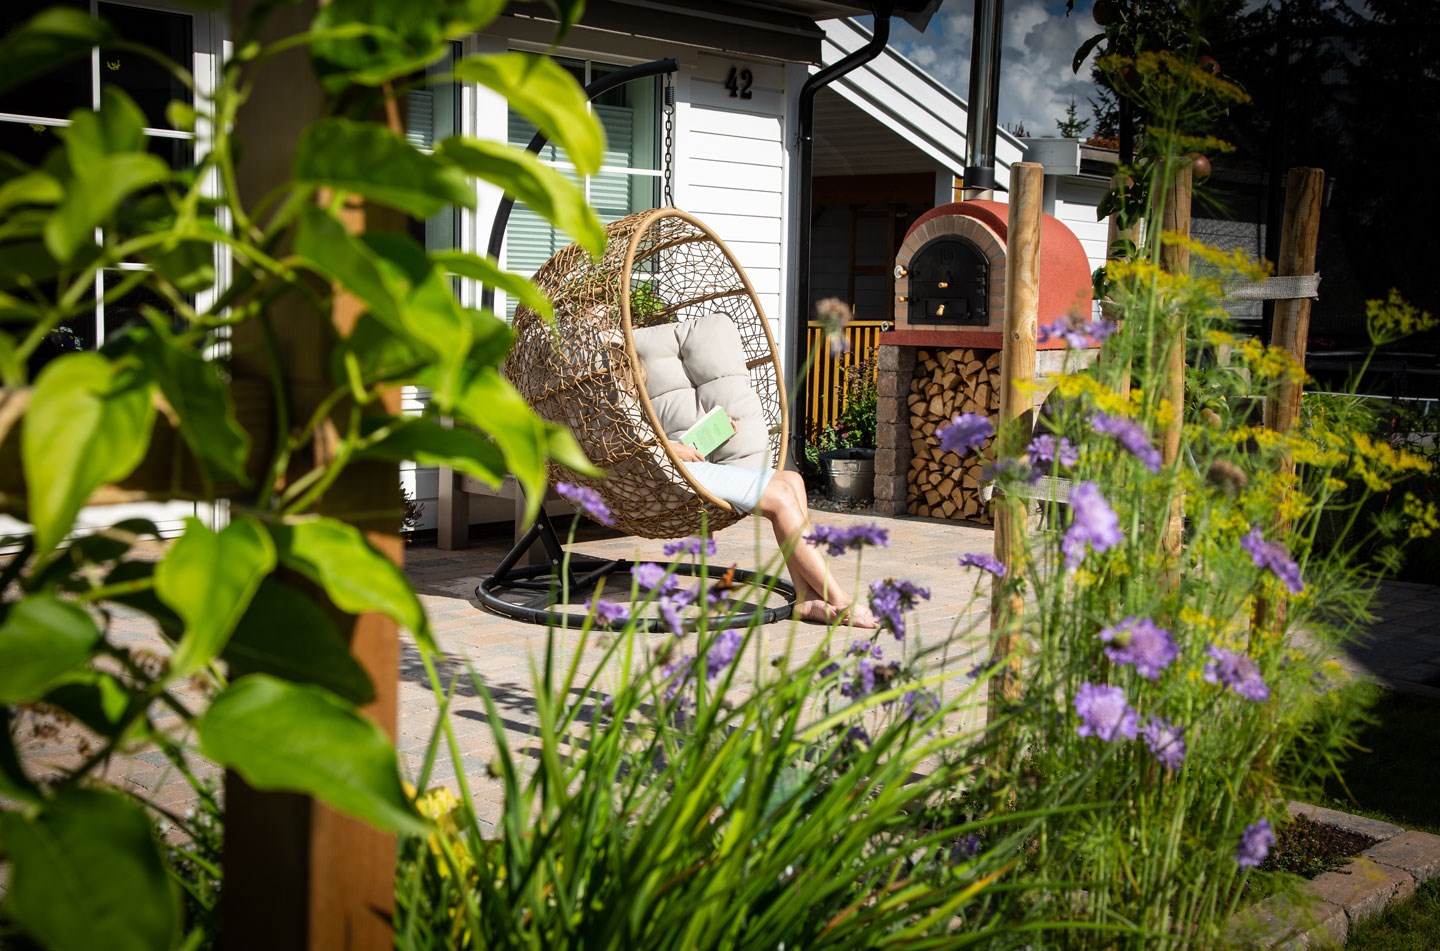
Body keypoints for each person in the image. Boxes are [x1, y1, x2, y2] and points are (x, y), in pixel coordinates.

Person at [669, 441, 878, 628]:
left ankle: (805, 597)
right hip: (665, 467)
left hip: (674, 456)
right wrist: (673, 447)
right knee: (781, 497)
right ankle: (840, 599)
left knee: (792, 480)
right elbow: (636, 442)